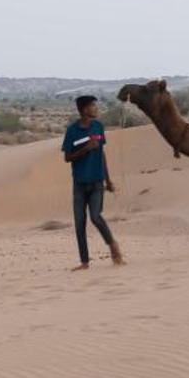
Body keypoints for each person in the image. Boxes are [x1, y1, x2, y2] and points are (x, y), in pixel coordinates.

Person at [61, 95, 123, 270]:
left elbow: (102, 153)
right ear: (84, 109)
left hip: (97, 181)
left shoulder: (98, 127)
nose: (96, 108)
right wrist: (85, 149)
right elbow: (67, 157)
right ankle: (84, 262)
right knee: (80, 223)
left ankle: (113, 247)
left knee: (96, 216)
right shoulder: (72, 131)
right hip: (79, 184)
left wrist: (108, 180)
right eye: (93, 106)